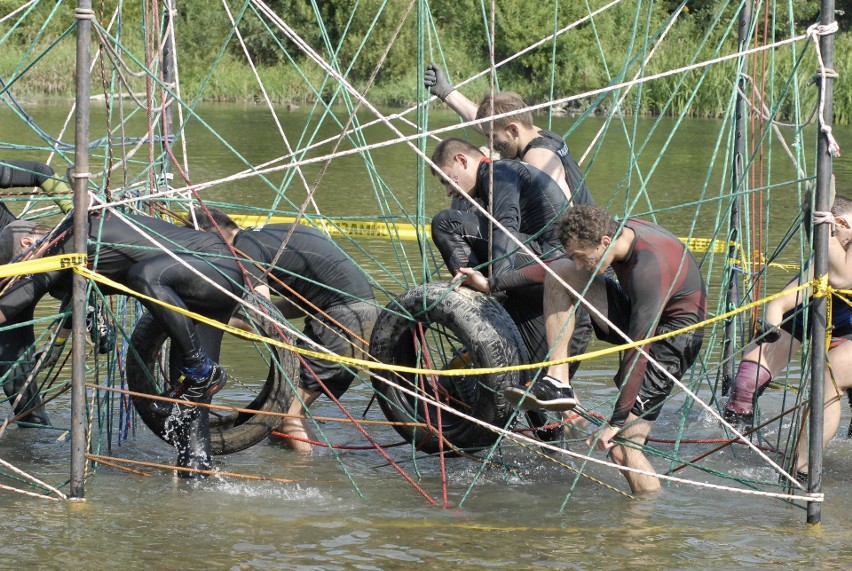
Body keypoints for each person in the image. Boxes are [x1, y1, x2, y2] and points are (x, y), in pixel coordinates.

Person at [0, 210, 244, 473]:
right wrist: (56, 346)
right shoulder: (73, 244)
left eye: (19, 268)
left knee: (146, 275)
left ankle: (201, 368)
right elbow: (73, 297)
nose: (22, 276)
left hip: (213, 267)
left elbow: (15, 302)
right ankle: (196, 478)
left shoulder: (63, 240)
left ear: (26, 244)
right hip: (205, 283)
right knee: (190, 412)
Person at [508, 204, 706, 494]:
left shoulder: (647, 269)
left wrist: (616, 420)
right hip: (639, 314)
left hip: (672, 340)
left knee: (625, 448)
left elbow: (639, 348)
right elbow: (555, 265)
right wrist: (490, 283)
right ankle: (558, 381)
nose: (579, 264)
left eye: (581, 257)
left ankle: (645, 526)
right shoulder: (614, 235)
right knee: (560, 273)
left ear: (603, 242)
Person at [424, 64, 594, 376]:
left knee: (450, 222)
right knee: (531, 387)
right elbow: (494, 125)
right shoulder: (536, 136)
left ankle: (487, 307)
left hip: (561, 264)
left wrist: (494, 283)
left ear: (513, 131)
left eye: (495, 139)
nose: (492, 146)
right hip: (555, 266)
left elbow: (513, 226)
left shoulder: (535, 160)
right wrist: (448, 94)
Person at [193, 208, 379, 453]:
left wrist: (209, 319)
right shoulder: (265, 237)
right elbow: (300, 302)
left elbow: (260, 320)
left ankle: (303, 478)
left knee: (286, 413)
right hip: (364, 317)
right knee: (280, 417)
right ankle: (284, 468)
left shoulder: (244, 248)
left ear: (211, 235)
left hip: (341, 323)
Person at [723, 194, 852, 482]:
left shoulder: (844, 243)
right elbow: (790, 295)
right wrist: (772, 316)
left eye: (831, 236)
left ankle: (801, 470)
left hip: (847, 330)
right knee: (746, 379)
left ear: (841, 223)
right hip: (822, 315)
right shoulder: (830, 249)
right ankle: (733, 441)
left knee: (829, 378)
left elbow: (844, 279)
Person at [429, 137, 570, 371]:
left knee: (446, 223)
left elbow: (504, 228)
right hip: (544, 280)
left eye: (447, 180)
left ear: (461, 160)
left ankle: (483, 303)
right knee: (528, 377)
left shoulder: (500, 172)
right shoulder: (497, 177)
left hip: (549, 263)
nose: (447, 192)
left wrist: (494, 285)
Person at [0, 159, 74, 427]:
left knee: (78, 291)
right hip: (6, 288)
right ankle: (36, 438)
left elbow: (40, 173)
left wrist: (75, 212)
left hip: (25, 260)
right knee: (12, 371)